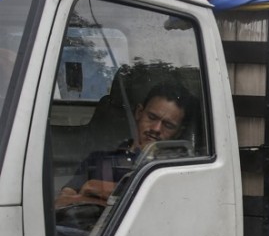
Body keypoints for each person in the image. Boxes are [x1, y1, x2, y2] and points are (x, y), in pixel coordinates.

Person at [55, 81, 195, 209]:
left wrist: (94, 187)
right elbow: (61, 202)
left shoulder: (175, 168)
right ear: (139, 113)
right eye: (152, 117)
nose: (156, 129)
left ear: (178, 132)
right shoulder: (98, 159)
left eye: (168, 125)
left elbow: (159, 204)